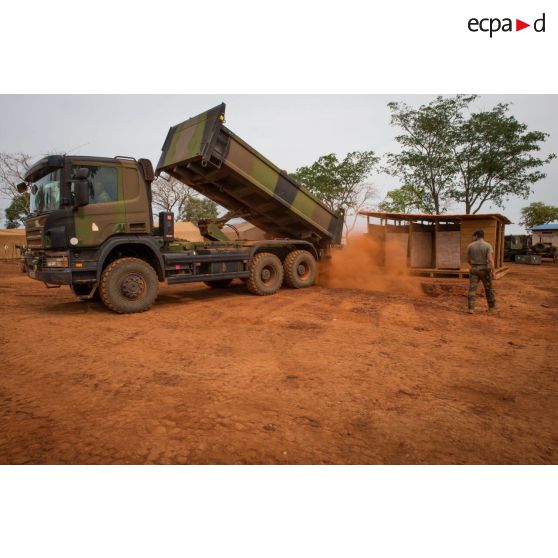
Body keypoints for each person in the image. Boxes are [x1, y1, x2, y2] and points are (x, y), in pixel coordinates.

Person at [467, 230, 496, 314]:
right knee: (488, 289)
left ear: (476, 236)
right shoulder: (488, 246)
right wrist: (493, 272)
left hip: (474, 269)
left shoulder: (470, 246)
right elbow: (490, 260)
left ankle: (471, 309)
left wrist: (473, 265)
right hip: (485, 269)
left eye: (473, 236)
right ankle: (492, 308)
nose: (473, 238)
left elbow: (468, 260)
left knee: (472, 289)